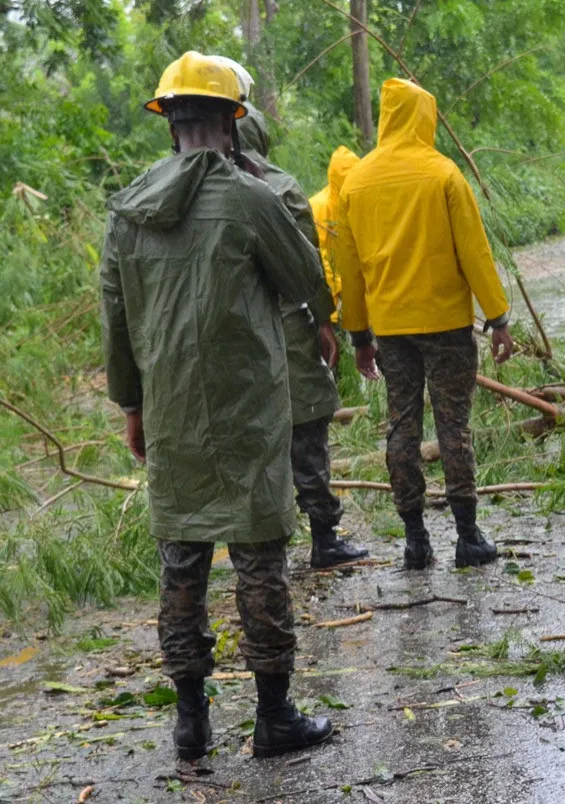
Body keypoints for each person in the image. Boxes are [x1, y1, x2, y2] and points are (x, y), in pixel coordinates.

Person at [99, 51, 334, 759]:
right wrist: (321, 322)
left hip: (169, 409)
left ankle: (190, 722)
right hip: (250, 408)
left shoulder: (130, 209)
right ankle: (274, 716)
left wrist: (132, 405)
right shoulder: (253, 199)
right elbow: (309, 285)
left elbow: (115, 318)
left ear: (169, 124)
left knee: (183, 561)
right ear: (233, 123)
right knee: (260, 558)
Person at [333, 78, 514, 570]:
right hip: (446, 325)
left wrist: (358, 335)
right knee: (453, 422)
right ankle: (467, 535)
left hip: (391, 331)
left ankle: (415, 540)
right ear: (423, 116)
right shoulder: (442, 174)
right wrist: (497, 317)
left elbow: (349, 270)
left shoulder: (356, 183)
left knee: (401, 426)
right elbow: (474, 253)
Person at [237, 102, 369, 569]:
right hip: (289, 326)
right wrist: (326, 320)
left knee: (250, 439)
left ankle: (258, 550)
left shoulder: (193, 191)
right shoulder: (281, 189)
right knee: (307, 427)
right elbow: (309, 267)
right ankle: (324, 537)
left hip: (230, 341)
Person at [309, 146, 362, 324]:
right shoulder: (319, 207)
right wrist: (340, 292)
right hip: (333, 305)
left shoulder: (359, 202)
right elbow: (320, 256)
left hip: (357, 298)